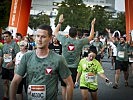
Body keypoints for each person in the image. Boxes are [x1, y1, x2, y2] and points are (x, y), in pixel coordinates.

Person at [10, 24, 74, 100]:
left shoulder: (58, 59)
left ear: (50, 38)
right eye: (37, 36)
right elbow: (15, 82)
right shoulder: (26, 57)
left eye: (43, 37)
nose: (39, 39)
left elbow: (69, 83)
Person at [53, 14, 96, 100]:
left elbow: (55, 32)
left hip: (64, 66)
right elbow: (91, 37)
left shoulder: (64, 40)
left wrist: (60, 22)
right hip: (74, 67)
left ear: (68, 34)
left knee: (64, 86)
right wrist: (92, 25)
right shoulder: (80, 42)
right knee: (70, 86)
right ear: (76, 34)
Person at [0, 31, 20, 100]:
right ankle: (6, 96)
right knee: (5, 82)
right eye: (4, 36)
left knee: (12, 83)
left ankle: (12, 96)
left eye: (6, 36)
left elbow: (18, 55)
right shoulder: (4, 45)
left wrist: (12, 62)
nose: (5, 38)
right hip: (4, 66)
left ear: (10, 36)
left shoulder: (14, 44)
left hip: (12, 67)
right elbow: (1, 56)